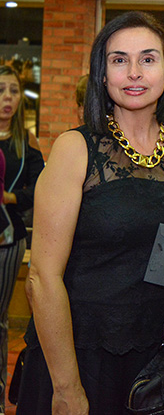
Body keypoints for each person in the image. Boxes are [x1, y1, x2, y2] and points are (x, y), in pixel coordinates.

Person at [17, 11, 164, 415]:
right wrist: (66, 388)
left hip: (157, 362)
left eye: (148, 59)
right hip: (77, 357)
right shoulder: (75, 149)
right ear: (102, 74)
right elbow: (41, 279)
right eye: (119, 60)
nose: (134, 72)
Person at [0, 65, 44, 414]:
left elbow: (37, 190)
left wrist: (10, 198)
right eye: (1, 90)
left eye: (14, 91)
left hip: (8, 237)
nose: (8, 98)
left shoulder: (26, 141)